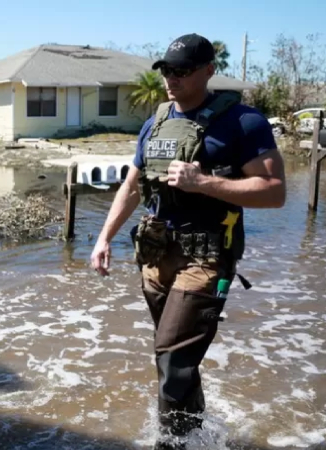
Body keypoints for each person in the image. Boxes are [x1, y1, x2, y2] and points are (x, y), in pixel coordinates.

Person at [89, 34, 285, 449]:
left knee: (174, 358)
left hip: (208, 256)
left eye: (182, 70)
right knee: (172, 360)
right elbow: (133, 185)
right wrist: (103, 238)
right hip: (157, 254)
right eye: (167, 70)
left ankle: (171, 444)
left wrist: (205, 182)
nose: (171, 79)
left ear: (208, 70)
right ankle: (199, 436)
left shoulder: (243, 122)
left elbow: (274, 191)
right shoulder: (155, 122)